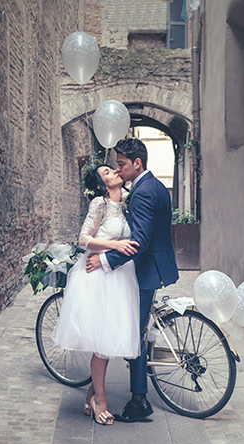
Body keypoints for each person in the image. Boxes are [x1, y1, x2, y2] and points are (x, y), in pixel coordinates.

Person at [86, 138, 179, 423]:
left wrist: (103, 261)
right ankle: (97, 391)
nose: (119, 169)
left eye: (122, 164)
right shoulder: (154, 187)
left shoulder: (142, 193)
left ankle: (139, 400)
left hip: (144, 271)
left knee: (133, 335)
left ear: (137, 163)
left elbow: (138, 241)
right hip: (153, 267)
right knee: (132, 332)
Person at [52, 163, 141, 425]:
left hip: (119, 277)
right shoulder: (98, 204)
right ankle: (100, 400)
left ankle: (92, 392)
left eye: (113, 169)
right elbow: (83, 239)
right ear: (102, 185)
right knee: (102, 345)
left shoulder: (124, 204)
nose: (114, 171)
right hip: (98, 278)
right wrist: (115, 245)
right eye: (107, 173)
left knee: (110, 339)